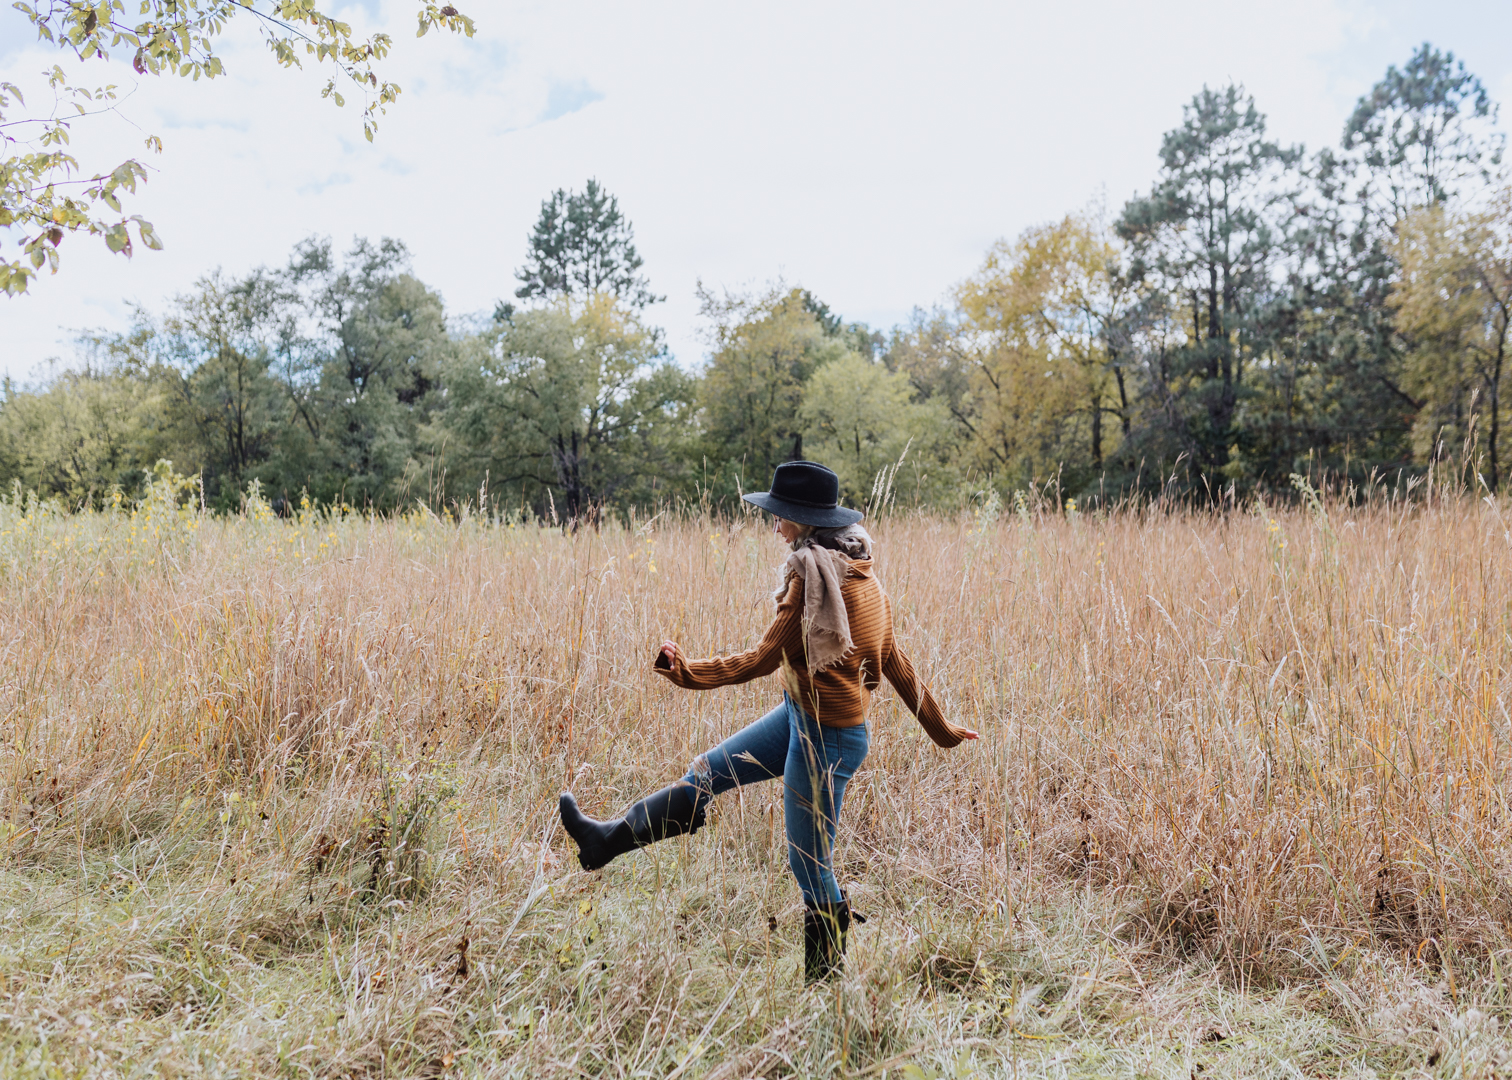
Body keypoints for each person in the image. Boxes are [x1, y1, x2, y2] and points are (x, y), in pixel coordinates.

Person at [558, 460, 978, 981]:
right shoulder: (863, 575)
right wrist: (942, 730)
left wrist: (684, 670)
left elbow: (760, 660)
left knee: (808, 861)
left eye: (779, 515)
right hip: (799, 717)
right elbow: (895, 661)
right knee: (709, 772)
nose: (774, 524)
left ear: (803, 520)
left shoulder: (814, 582)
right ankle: (604, 842)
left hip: (828, 739)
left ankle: (825, 985)